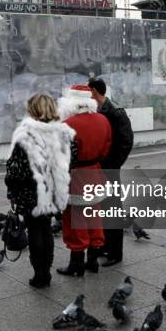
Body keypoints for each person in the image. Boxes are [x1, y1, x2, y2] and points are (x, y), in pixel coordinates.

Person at [5, 94, 76, 288]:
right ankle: (46, 272)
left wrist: (12, 190)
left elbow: (15, 169)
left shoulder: (25, 134)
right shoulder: (64, 132)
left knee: (35, 229)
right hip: (54, 191)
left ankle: (40, 274)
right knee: (46, 228)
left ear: (33, 109)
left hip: (31, 192)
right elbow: (72, 160)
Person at [57, 85, 112, 277]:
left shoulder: (67, 124)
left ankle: (76, 265)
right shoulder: (103, 120)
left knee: (76, 220)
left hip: (76, 176)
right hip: (95, 173)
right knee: (94, 216)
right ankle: (93, 260)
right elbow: (106, 149)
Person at [88, 78, 134, 267]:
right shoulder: (99, 110)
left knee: (113, 210)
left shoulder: (115, 111)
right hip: (102, 168)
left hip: (110, 168)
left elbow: (126, 141)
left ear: (93, 90)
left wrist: (113, 165)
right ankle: (106, 246)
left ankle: (116, 253)